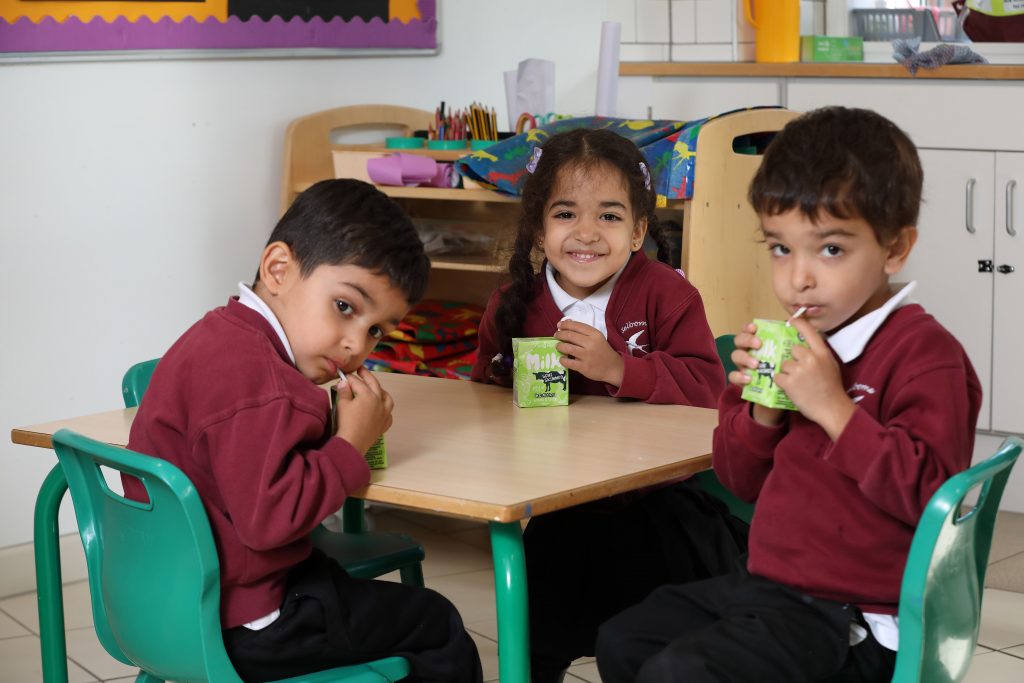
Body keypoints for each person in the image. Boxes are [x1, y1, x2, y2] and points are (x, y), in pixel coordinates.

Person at [595, 106, 983, 683]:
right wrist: (762, 411)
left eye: (830, 250)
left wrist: (833, 409)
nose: (798, 278)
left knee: (680, 673)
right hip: (773, 585)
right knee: (623, 639)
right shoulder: (795, 346)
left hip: (856, 615)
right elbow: (739, 480)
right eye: (780, 247)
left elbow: (933, 500)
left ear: (895, 249)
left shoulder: (927, 357)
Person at [125, 179, 483, 683]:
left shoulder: (219, 335)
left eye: (377, 329)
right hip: (249, 624)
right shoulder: (268, 384)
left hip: (165, 604)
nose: (357, 344)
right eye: (345, 307)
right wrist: (350, 443)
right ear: (278, 269)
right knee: (436, 620)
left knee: (340, 581)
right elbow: (269, 519)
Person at [470, 128, 747, 682]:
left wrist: (620, 369)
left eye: (611, 217)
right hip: (563, 510)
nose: (587, 234)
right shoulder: (513, 302)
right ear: (539, 226)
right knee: (536, 634)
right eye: (566, 213)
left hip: (659, 508)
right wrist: (509, 381)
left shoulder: (666, 294)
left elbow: (708, 390)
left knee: (660, 647)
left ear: (640, 230)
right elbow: (482, 395)